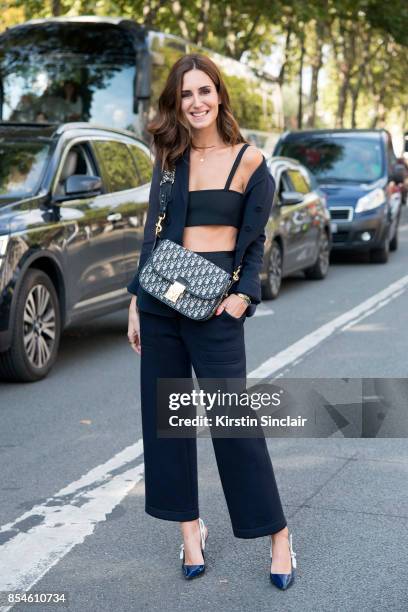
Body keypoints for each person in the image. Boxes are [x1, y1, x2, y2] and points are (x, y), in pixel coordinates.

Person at [126, 53, 297, 589]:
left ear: (219, 95)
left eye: (204, 91)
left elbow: (255, 239)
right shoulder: (170, 159)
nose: (196, 102)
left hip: (216, 305)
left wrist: (244, 298)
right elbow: (154, 234)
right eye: (185, 94)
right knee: (168, 426)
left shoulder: (249, 160)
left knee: (234, 426)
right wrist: (137, 299)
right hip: (160, 305)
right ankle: (190, 532)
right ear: (176, 104)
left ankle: (279, 536)